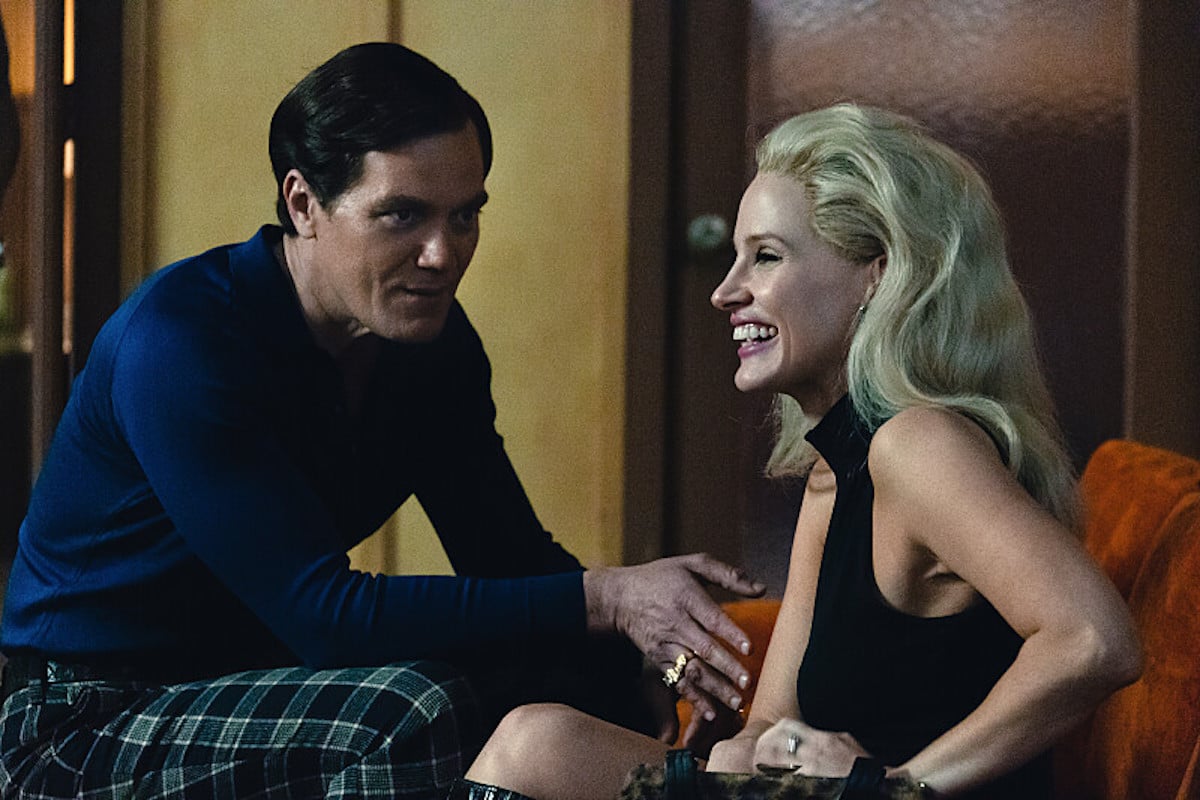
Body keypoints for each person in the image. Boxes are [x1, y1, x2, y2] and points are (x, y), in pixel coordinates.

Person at [0, 42, 766, 798]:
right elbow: (324, 615)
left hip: (255, 679)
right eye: (402, 215)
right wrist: (608, 599)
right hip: (84, 717)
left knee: (554, 676)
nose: (442, 254)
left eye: (464, 216)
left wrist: (644, 659)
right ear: (304, 204)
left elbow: (507, 557)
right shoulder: (182, 343)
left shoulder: (430, 346)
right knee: (410, 711)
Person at [453, 103, 1142, 799]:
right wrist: (742, 745)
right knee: (540, 738)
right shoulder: (833, 470)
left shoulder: (919, 444)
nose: (725, 292)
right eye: (735, 258)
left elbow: (1095, 640)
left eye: (766, 257)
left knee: (534, 743)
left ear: (878, 276)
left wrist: (898, 786)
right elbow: (774, 718)